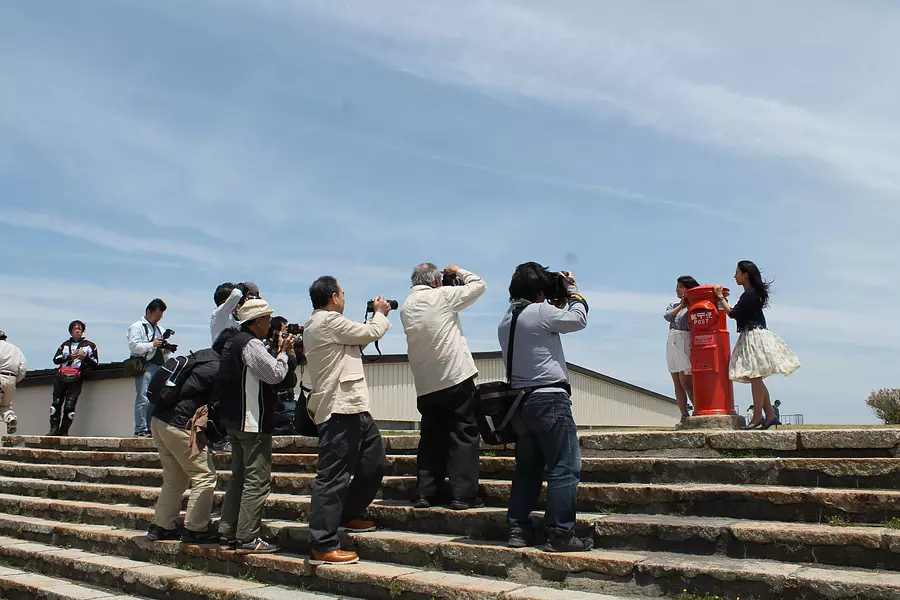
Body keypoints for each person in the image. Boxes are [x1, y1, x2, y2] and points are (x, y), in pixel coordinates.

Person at [498, 263, 590, 553]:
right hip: (549, 399)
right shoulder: (540, 312)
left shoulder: (507, 319)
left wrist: (551, 301)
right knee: (564, 466)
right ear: (539, 291)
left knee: (527, 469)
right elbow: (578, 320)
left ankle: (518, 529)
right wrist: (572, 291)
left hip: (521, 404)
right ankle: (560, 534)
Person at [303, 276, 392, 565]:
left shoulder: (322, 324)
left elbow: (359, 337)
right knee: (332, 477)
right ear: (333, 297)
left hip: (354, 407)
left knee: (374, 463)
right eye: (342, 293)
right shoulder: (327, 321)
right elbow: (372, 331)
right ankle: (322, 543)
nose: (344, 297)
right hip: (339, 409)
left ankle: (345, 513)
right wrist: (380, 312)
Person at [400, 263, 486, 510]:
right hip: (454, 376)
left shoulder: (406, 307)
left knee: (431, 438)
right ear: (436, 281)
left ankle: (425, 493)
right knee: (463, 433)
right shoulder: (443, 296)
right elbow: (479, 285)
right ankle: (463, 495)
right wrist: (457, 271)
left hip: (425, 383)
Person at [214, 298, 297, 554]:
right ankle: (248, 537)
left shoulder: (231, 342)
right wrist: (284, 353)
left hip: (234, 421)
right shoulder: (250, 343)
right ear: (258, 321)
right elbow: (275, 374)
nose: (270, 325)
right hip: (252, 421)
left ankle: (228, 532)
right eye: (268, 320)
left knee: (238, 478)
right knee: (257, 480)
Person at [146, 346, 221, 544]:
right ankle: (196, 529)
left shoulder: (198, 358)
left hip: (159, 420)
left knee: (175, 478)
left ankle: (161, 526)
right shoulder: (215, 366)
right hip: (179, 425)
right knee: (204, 476)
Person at [713, 260, 800, 430]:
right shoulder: (753, 293)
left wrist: (720, 297)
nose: (735, 276)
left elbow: (733, 313)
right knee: (756, 377)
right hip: (756, 333)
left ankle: (758, 416)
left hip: (753, 335)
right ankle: (770, 415)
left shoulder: (749, 294)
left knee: (755, 376)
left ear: (745, 275)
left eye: (737, 273)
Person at [127, 298, 171, 438]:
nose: (158, 319)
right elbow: (134, 347)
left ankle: (150, 427)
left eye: (160, 316)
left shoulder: (159, 329)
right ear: (148, 312)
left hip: (159, 364)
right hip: (145, 365)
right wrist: (152, 344)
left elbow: (160, 348)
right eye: (156, 315)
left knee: (155, 397)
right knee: (143, 397)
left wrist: (167, 347)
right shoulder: (137, 327)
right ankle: (140, 428)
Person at [48, 320, 99, 436]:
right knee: (56, 404)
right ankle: (53, 429)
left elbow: (95, 363)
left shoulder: (90, 345)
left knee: (70, 406)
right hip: (61, 377)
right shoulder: (65, 345)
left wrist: (84, 358)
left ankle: (64, 431)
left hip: (76, 378)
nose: (77, 331)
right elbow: (56, 360)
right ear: (70, 331)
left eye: (79, 329)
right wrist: (70, 357)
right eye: (75, 329)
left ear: (82, 331)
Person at [664, 275, 699, 425]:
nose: (677, 290)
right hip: (672, 339)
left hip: (685, 340)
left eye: (681, 287)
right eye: (677, 287)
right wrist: (681, 305)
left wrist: (688, 303)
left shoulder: (694, 306)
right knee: (676, 380)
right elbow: (668, 316)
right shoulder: (674, 305)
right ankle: (684, 413)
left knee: (686, 380)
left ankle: (698, 410)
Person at [267, 316, 301, 435]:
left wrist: (290, 349)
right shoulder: (266, 349)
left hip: (288, 396)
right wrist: (283, 350)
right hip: (277, 400)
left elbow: (294, 364)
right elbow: (281, 368)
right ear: (276, 332)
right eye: (285, 330)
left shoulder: (286, 348)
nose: (287, 335)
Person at [0, 331, 26, 435]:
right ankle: (11, 418)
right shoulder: (15, 349)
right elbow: (23, 368)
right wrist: (14, 380)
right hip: (12, 379)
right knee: (5, 406)